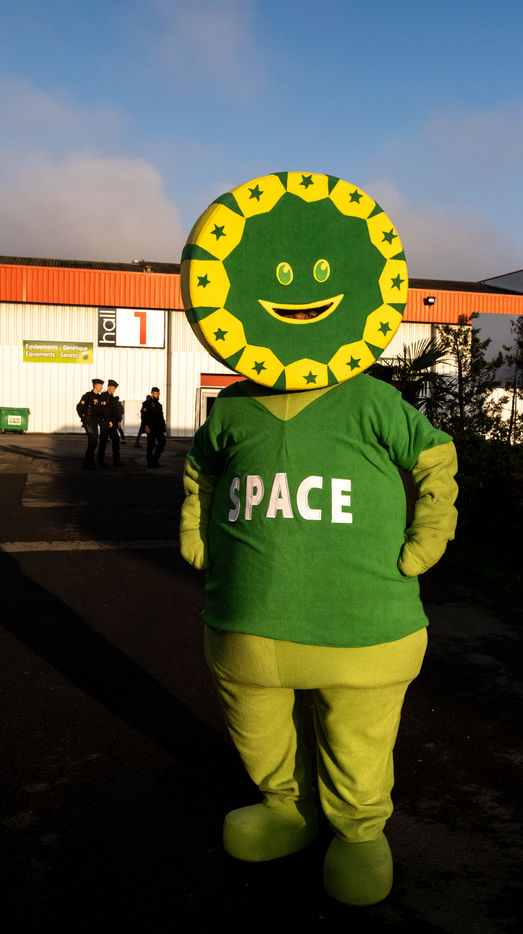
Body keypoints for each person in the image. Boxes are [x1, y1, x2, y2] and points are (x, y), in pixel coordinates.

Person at [179, 172, 458, 907]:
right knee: (259, 729)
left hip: (363, 626)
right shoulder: (232, 409)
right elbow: (201, 471)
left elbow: (435, 457)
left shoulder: (370, 400)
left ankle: (358, 830)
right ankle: (287, 808)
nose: (301, 287)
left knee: (357, 737)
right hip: (245, 623)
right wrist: (197, 533)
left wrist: (428, 535)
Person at [76, 378, 113, 470]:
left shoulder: (99, 397)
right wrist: (83, 418)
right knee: (93, 441)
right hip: (89, 421)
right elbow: (79, 407)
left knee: (93, 442)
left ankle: (88, 463)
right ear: (96, 386)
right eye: (100, 386)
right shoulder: (88, 396)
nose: (101, 388)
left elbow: (102, 411)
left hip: (95, 422)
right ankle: (89, 463)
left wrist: (108, 420)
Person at [97, 380, 124, 467]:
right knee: (103, 442)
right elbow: (103, 411)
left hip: (112, 423)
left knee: (116, 441)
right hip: (105, 423)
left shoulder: (113, 398)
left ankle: (116, 460)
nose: (113, 390)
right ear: (108, 387)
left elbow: (116, 411)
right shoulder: (103, 397)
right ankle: (101, 462)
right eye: (112, 388)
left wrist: (118, 421)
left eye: (114, 389)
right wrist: (109, 421)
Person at [142, 387, 167, 467]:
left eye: (158, 393)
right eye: (156, 394)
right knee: (151, 445)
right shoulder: (147, 403)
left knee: (162, 443)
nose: (157, 395)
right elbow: (144, 416)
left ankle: (155, 459)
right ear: (152, 394)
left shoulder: (159, 405)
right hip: (151, 427)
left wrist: (164, 427)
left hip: (158, 428)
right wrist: (146, 426)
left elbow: (161, 417)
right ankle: (150, 463)